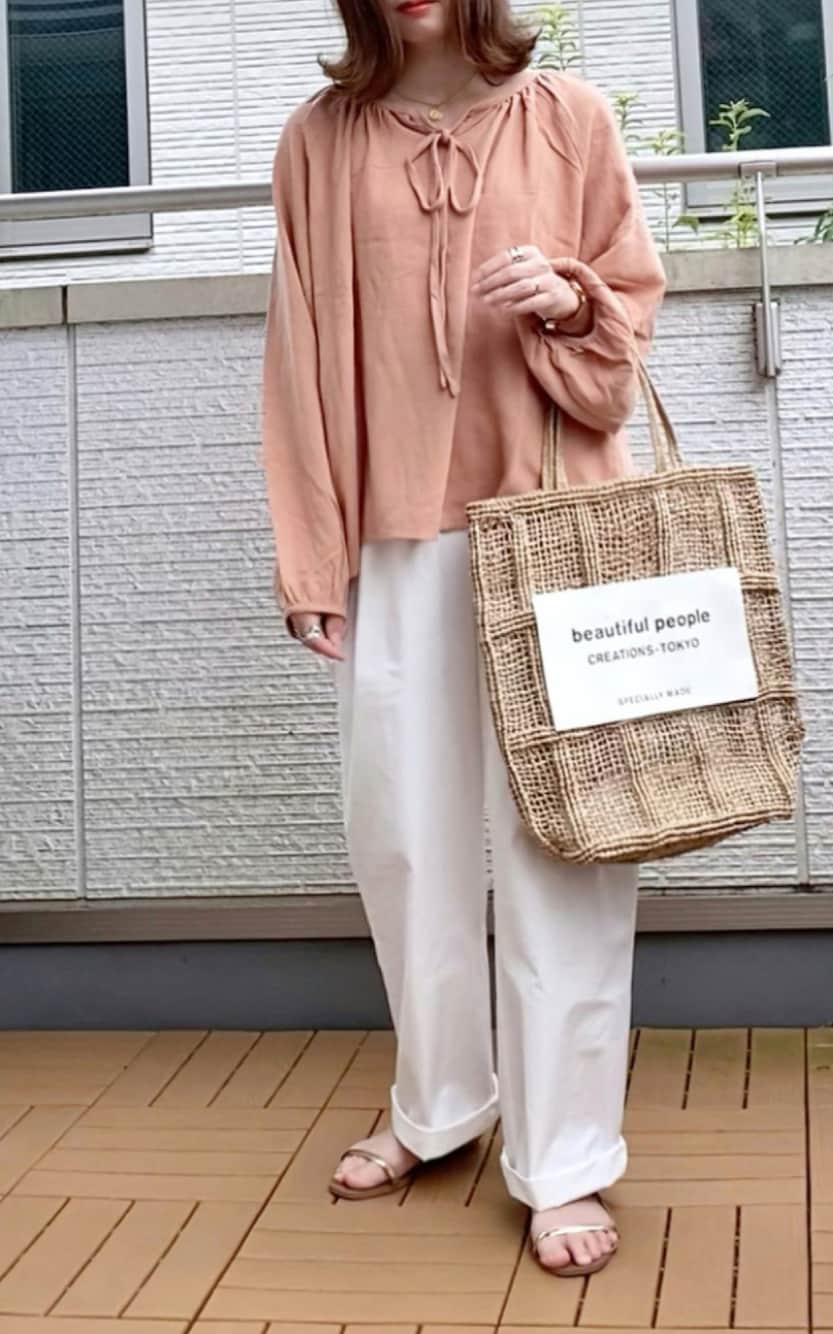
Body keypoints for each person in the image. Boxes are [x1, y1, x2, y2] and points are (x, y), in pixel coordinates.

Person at [258, 0, 666, 1279]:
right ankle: (438, 1104)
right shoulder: (320, 138)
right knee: (404, 839)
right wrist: (312, 555)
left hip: (553, 530)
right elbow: (298, 355)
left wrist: (569, 298)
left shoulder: (570, 117)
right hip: (393, 537)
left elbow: (626, 332)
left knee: (564, 849)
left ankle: (564, 1154)